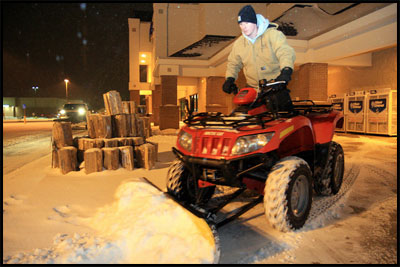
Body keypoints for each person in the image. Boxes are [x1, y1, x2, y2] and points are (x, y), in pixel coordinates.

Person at [223, 5, 296, 94]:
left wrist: (286, 70)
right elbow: (233, 63)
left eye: (246, 23)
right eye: (241, 24)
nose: (243, 27)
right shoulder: (239, 44)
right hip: (252, 90)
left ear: (254, 22)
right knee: (243, 107)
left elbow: (285, 52)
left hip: (274, 87)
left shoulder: (273, 35)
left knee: (278, 106)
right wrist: (230, 79)